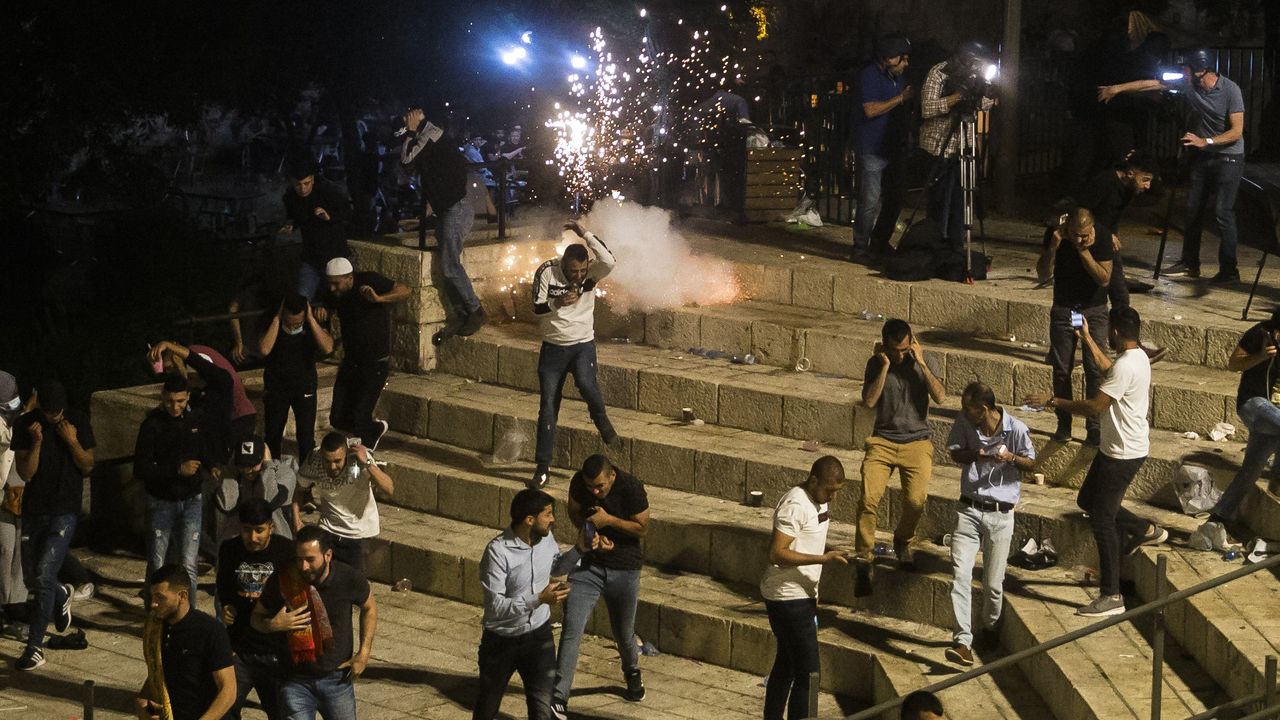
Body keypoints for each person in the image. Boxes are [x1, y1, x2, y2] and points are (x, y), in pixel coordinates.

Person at [1025, 306, 1167, 617]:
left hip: (1123, 454)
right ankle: (1144, 529)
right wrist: (1087, 338)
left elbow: (1094, 406)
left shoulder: (1127, 366)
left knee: (1102, 520)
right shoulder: (1137, 356)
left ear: (1115, 332)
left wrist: (1053, 401)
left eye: (1107, 333)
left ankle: (1111, 595)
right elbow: (1110, 371)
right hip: (1116, 448)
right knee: (1087, 498)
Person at [1099, 48, 1246, 283]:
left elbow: (1236, 132)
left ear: (1200, 71)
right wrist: (1117, 89)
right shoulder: (1190, 85)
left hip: (1228, 158)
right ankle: (1190, 263)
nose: (1182, 73)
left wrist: (1205, 141)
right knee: (1193, 209)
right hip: (1201, 156)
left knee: (1222, 212)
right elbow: (1152, 84)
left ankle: (1229, 271)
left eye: (1185, 69)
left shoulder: (1230, 90)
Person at [473, 489, 602, 720]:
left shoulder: (546, 539)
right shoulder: (498, 552)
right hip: (502, 641)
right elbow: (496, 607)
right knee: (486, 709)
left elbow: (556, 568)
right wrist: (540, 599)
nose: (553, 520)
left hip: (538, 638)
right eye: (548, 514)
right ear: (529, 519)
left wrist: (579, 549)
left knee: (543, 711)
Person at [551, 454, 649, 718]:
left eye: (600, 487)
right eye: (590, 487)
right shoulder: (579, 485)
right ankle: (559, 696)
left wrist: (610, 522)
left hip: (625, 567)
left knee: (623, 633)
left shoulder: (631, 487)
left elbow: (642, 528)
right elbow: (574, 512)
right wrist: (590, 533)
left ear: (612, 476)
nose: (594, 492)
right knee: (572, 628)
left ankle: (632, 671)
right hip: (588, 566)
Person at [944, 383, 1035, 667]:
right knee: (960, 576)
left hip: (1000, 514)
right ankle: (962, 642)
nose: (964, 414)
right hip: (969, 508)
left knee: (993, 584)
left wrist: (1011, 458)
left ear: (984, 409)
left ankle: (991, 628)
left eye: (969, 409)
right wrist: (979, 454)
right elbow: (955, 453)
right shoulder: (964, 423)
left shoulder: (1016, 429)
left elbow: (1031, 462)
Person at [855, 319, 945, 595]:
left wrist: (921, 363)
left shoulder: (924, 360)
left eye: (905, 349)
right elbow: (869, 401)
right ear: (885, 346)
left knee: (916, 501)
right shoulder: (876, 363)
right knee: (868, 499)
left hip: (917, 442)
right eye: (895, 350)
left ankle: (903, 540)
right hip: (882, 440)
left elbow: (940, 397)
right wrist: (884, 367)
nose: (900, 355)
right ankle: (864, 558)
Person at [251, 525, 377, 720]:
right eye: (299, 559)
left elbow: (369, 607)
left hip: (336, 679)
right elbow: (256, 617)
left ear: (327, 555)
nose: (303, 567)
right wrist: (272, 625)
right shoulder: (284, 579)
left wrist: (364, 653)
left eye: (310, 560)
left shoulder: (348, 578)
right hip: (294, 680)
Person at [10, 380, 94, 671]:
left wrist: (72, 441)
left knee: (44, 575)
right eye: (49, 412)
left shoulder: (78, 420)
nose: (54, 417)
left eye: (58, 411)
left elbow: (88, 465)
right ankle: (61, 593)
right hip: (34, 510)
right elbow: (26, 473)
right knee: (31, 578)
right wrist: (36, 443)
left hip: (65, 510)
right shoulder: (26, 426)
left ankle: (34, 647)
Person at [529, 220, 618, 489]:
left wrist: (585, 234)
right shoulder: (547, 271)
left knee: (588, 385)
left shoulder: (591, 273)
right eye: (571, 271)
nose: (577, 276)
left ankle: (603, 423)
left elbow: (610, 261)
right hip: (554, 346)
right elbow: (536, 307)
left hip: (582, 344)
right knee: (547, 408)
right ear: (562, 265)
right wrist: (557, 303)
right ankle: (542, 468)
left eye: (581, 270)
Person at [760, 456, 847, 720]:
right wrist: (823, 559)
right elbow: (777, 553)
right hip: (788, 597)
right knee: (809, 674)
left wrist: (830, 551)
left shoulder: (816, 502)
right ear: (813, 480)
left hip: (802, 596)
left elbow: (807, 541)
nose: (832, 496)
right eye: (829, 490)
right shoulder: (795, 504)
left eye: (836, 492)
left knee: (786, 665)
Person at [400, 109, 487, 341]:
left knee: (449, 265)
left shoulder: (431, 135)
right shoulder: (433, 141)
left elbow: (407, 161)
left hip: (455, 209)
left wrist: (410, 131)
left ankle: (475, 311)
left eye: (407, 121)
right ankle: (460, 313)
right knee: (448, 264)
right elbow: (433, 177)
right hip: (448, 209)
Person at [135, 374, 219, 605]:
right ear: (163, 397)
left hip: (191, 500)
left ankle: (187, 615)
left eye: (180, 401)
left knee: (189, 564)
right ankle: (154, 613)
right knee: (157, 562)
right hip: (161, 502)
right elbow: (140, 468)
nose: (175, 406)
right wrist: (177, 470)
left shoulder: (194, 419)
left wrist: (211, 465)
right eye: (170, 401)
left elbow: (201, 448)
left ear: (187, 397)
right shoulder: (151, 425)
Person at [1197, 309, 1280, 542]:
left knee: (1251, 470)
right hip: (1254, 404)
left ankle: (1218, 518)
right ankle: (1278, 480)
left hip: (1274, 413)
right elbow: (1234, 364)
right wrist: (1262, 356)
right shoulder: (1259, 334)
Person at [1037, 207, 1114, 445]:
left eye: (1084, 234)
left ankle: (1094, 428)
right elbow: (1042, 274)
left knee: (1094, 369)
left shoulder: (1101, 235)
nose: (1079, 238)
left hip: (1093, 309)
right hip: (1065, 308)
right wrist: (1053, 247)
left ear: (1091, 228)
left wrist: (1084, 251)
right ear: (1067, 227)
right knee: (1061, 368)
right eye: (1075, 234)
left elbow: (1104, 278)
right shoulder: (1056, 235)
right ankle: (1064, 424)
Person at [317, 257, 409, 450]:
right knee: (337, 417)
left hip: (375, 361)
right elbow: (325, 303)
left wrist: (379, 299)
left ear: (350, 278)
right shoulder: (333, 292)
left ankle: (365, 450)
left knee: (360, 414)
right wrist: (322, 310)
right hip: (351, 361)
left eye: (336, 283)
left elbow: (405, 289)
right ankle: (373, 429)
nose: (333, 288)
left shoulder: (369, 281)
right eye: (330, 284)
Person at [218, 498, 295, 720]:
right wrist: (226, 607)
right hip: (241, 650)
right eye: (246, 530)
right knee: (224, 710)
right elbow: (224, 588)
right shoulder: (229, 550)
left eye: (259, 530)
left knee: (280, 713)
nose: (253, 537)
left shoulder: (286, 551)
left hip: (275, 653)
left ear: (271, 527)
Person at [919, 42, 996, 253]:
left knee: (961, 201)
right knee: (939, 202)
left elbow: (986, 105)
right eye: (976, 63)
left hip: (964, 146)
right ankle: (933, 246)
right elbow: (926, 108)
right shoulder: (940, 72)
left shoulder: (978, 76)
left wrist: (985, 90)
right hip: (938, 145)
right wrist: (957, 97)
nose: (978, 67)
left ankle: (956, 248)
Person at [136, 564, 236, 720]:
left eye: (160, 597)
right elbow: (158, 671)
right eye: (152, 596)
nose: (153, 604)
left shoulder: (210, 631)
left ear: (182, 596)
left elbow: (228, 690)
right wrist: (142, 704)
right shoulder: (156, 628)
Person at [293, 432, 393, 576]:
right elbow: (299, 489)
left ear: (346, 454)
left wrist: (368, 462)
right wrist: (296, 519)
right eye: (327, 461)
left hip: (358, 532)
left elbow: (389, 488)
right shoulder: (314, 459)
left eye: (337, 461)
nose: (332, 466)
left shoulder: (359, 459)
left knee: (354, 583)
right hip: (328, 527)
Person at [852, 34, 913, 260]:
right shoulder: (869, 76)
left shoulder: (897, 77)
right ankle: (860, 247)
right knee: (869, 200)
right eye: (902, 58)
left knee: (894, 197)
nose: (905, 64)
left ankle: (879, 242)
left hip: (892, 146)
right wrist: (900, 99)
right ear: (889, 58)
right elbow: (870, 109)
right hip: (872, 146)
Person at [149, 339, 255, 462]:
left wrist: (169, 346)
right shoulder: (199, 393)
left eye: (170, 368)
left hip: (239, 419)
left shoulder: (218, 380)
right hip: (221, 435)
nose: (170, 373)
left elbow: (202, 366)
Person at [259, 293, 333, 464]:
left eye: (298, 323)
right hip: (277, 387)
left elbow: (327, 347)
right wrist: (277, 320)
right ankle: (273, 475)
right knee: (273, 435)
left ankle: (306, 478)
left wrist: (311, 320)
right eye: (290, 323)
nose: (294, 327)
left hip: (304, 386)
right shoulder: (273, 320)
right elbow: (264, 349)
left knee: (306, 436)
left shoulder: (311, 322)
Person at [281, 164, 352, 300]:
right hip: (311, 257)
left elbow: (347, 213)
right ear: (292, 183)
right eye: (298, 185)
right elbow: (295, 216)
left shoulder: (328, 192)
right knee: (302, 300)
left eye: (306, 183)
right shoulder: (291, 197)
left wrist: (329, 216)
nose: (303, 189)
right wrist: (291, 225)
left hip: (334, 256)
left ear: (312, 179)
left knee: (338, 299)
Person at [215, 436, 297, 543]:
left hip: (274, 540)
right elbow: (227, 505)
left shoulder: (284, 473)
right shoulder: (233, 473)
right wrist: (230, 469)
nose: (247, 471)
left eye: (253, 465)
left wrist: (268, 466)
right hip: (240, 539)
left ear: (263, 458)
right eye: (242, 465)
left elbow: (267, 503)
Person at [0, 372, 29, 637]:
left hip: (12, 494)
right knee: (5, 550)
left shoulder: (18, 416)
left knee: (14, 550)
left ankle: (14, 607)